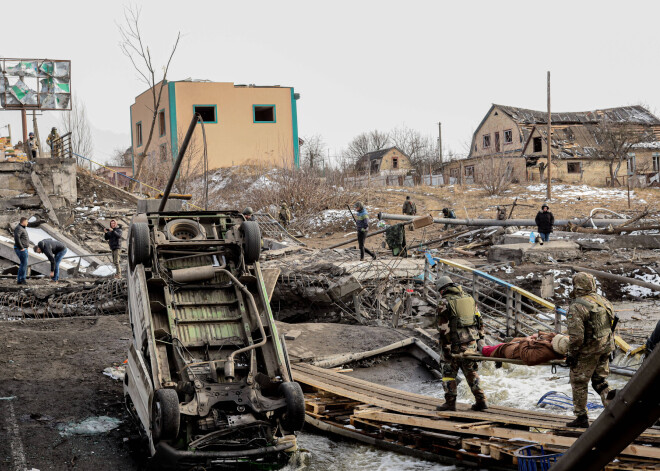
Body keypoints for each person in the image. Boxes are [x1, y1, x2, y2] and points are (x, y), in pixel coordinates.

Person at [565, 272, 615, 428]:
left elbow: (576, 338)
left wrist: (571, 354)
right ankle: (615, 410)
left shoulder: (577, 306)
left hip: (588, 350)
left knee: (579, 382)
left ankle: (581, 417)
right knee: (600, 381)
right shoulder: (603, 301)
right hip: (606, 346)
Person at [435, 275, 488, 412]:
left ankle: (450, 403)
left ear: (442, 290)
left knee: (448, 373)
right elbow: (479, 321)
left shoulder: (444, 302)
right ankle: (481, 400)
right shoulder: (469, 299)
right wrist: (480, 339)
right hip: (471, 342)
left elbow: (443, 328)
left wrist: (446, 348)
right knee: (471, 371)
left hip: (453, 344)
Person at [481, 331, 569, 366]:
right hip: (519, 346)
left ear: (556, 345)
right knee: (512, 341)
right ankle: (491, 346)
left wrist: (525, 341)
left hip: (515, 353)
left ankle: (483, 348)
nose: (553, 338)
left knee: (500, 349)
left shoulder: (545, 353)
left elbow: (526, 356)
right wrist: (539, 334)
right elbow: (553, 335)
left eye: (555, 340)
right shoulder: (555, 346)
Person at [13, 217, 29, 285]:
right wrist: (21, 247)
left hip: (24, 248)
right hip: (21, 249)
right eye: (27, 221)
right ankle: (22, 279)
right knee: (24, 264)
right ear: (23, 221)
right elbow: (17, 238)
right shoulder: (19, 228)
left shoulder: (22, 228)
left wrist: (26, 247)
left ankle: (20, 280)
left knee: (23, 264)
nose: (27, 223)